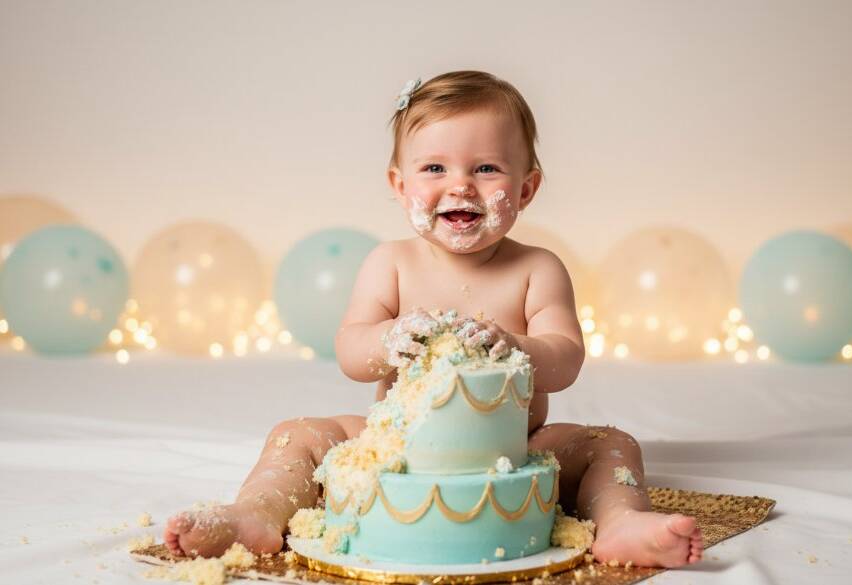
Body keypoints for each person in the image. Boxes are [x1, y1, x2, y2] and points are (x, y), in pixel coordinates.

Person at [164, 70, 703, 568]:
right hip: (395, 448)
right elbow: (352, 352)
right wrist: (386, 339)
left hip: (511, 450)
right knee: (297, 434)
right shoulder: (390, 263)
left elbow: (565, 359)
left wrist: (516, 345)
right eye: (435, 168)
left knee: (612, 443)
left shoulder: (537, 269)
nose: (461, 185)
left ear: (526, 188)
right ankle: (255, 516)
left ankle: (621, 521)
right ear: (400, 186)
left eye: (486, 168)